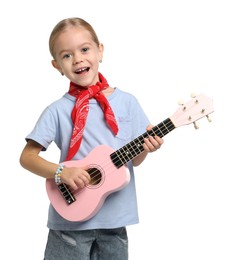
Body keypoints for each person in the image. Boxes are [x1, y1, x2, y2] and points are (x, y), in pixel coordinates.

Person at [19, 17, 164, 260]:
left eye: (85, 49)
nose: (77, 59)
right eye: (67, 55)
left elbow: (132, 162)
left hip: (115, 223)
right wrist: (60, 173)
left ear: (100, 51)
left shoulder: (127, 102)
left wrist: (147, 148)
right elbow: (27, 157)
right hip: (69, 221)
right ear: (57, 66)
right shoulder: (57, 110)